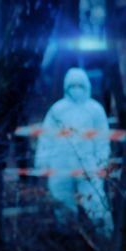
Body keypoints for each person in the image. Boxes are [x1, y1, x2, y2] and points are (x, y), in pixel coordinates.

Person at [34, 67, 112, 236]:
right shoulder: (57, 109)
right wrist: (42, 161)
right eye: (72, 85)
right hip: (60, 165)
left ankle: (105, 237)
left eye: (80, 85)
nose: (76, 88)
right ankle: (67, 239)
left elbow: (102, 139)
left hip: (88, 165)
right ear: (66, 86)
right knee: (62, 202)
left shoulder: (95, 110)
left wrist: (102, 162)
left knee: (95, 202)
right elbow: (46, 138)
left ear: (87, 86)